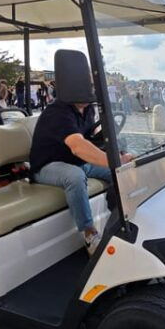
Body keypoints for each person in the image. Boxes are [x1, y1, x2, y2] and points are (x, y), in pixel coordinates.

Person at [30, 87, 133, 254]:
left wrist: (119, 154)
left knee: (121, 174)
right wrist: (115, 161)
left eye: (92, 87)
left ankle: (119, 222)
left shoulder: (88, 109)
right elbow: (77, 146)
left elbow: (91, 139)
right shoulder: (57, 111)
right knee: (75, 176)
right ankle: (90, 233)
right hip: (48, 164)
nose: (90, 90)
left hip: (78, 162)